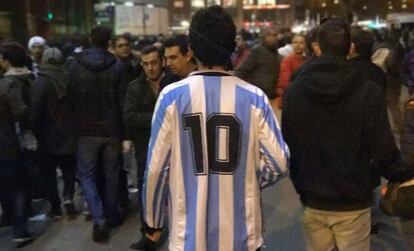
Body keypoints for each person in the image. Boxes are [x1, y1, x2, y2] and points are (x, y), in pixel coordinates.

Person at [141, 5, 290, 251]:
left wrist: (153, 221)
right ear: (232, 46)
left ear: (191, 50)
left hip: (188, 236)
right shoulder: (255, 98)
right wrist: (246, 179)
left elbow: (156, 168)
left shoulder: (171, 97)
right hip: (242, 236)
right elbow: (278, 163)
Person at [282, 18, 400, 251]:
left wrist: (300, 178)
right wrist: (399, 170)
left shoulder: (297, 89)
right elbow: (382, 146)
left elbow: (289, 140)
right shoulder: (367, 90)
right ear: (350, 48)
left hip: (312, 194)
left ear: (318, 46)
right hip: (354, 197)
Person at [68, 26, 124, 242]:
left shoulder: (74, 66)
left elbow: (71, 99)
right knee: (111, 175)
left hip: (85, 130)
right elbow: (121, 102)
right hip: (111, 129)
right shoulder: (117, 67)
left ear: (90, 40)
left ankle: (99, 219)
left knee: (87, 176)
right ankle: (110, 215)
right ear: (109, 42)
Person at [124, 46, 166, 250]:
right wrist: (159, 117)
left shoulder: (173, 83)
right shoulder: (135, 87)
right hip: (146, 147)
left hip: (171, 147)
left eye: (154, 63)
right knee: (146, 191)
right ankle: (149, 233)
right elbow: (129, 117)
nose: (150, 68)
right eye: (146, 63)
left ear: (161, 62)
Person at [31, 47, 77, 218]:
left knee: (49, 173)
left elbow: (35, 112)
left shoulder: (40, 82)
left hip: (47, 136)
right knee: (68, 170)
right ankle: (68, 197)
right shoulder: (69, 79)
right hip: (69, 132)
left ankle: (56, 207)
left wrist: (33, 131)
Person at [0, 42, 34, 243]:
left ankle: (9, 219)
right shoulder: (8, 85)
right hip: (9, 140)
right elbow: (20, 111)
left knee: (4, 184)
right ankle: (20, 229)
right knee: (20, 185)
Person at [235, 26, 282, 99]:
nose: (273, 38)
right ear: (264, 37)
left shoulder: (276, 54)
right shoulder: (257, 51)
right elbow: (241, 71)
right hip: (257, 96)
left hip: (271, 96)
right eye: (269, 35)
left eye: (275, 35)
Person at [276, 34, 307, 109]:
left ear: (305, 45)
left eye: (301, 43)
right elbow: (285, 82)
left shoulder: (307, 60)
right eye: (295, 42)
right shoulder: (287, 60)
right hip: (290, 97)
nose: (298, 45)